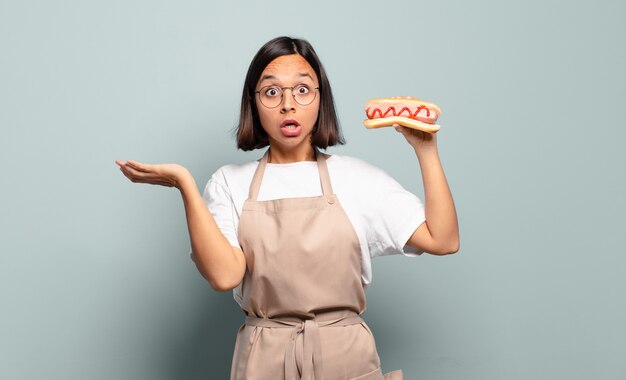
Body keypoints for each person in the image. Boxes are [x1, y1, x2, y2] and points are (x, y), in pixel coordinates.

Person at [116, 36, 459, 380]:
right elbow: (224, 276)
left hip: (345, 356)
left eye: (302, 90)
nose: (288, 105)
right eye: (271, 92)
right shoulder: (229, 183)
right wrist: (185, 185)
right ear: (253, 103)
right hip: (264, 358)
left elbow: (442, 240)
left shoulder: (357, 178)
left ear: (320, 99)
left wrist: (425, 150)